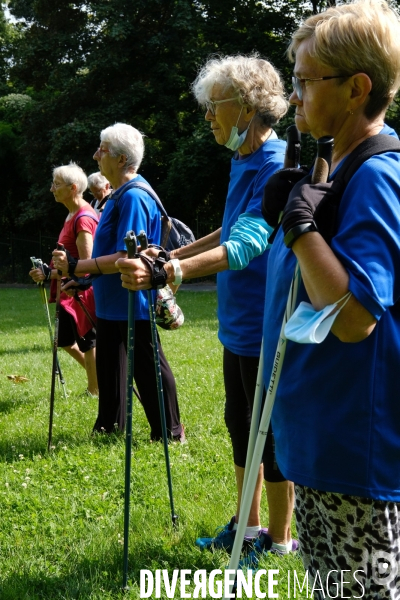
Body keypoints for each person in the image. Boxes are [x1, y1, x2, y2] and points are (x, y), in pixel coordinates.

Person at [117, 55, 297, 559]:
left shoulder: (277, 162)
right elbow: (230, 225)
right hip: (239, 323)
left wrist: (169, 273)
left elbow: (246, 243)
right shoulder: (243, 160)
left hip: (269, 324)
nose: (206, 116)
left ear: (243, 106)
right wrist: (175, 253)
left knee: (274, 436)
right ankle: (247, 526)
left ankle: (281, 541)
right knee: (240, 424)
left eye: (211, 106)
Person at [260, 0, 400, 597]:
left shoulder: (378, 175)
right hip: (319, 441)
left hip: (354, 457)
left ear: (356, 88)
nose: (293, 95)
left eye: (305, 81)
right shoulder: (333, 165)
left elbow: (355, 320)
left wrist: (300, 229)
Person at [52, 123, 185, 442]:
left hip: (133, 299)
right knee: (111, 366)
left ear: (123, 159)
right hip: (111, 301)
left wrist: (75, 266)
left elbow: (129, 258)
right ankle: (109, 427)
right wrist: (85, 282)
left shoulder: (134, 197)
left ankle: (170, 433)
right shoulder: (117, 195)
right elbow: (107, 251)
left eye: (103, 149)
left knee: (148, 366)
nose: (96, 154)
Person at [29, 163, 99, 396]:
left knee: (88, 342)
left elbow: (85, 266)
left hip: (80, 292)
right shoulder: (71, 215)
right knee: (66, 342)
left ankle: (95, 388)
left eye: (56, 185)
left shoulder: (83, 219)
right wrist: (47, 272)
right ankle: (100, 377)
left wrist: (52, 274)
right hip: (66, 290)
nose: (51, 189)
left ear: (73, 188)